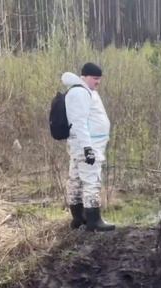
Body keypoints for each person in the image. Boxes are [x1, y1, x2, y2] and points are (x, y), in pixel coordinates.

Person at [61, 62, 115, 232]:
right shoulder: (80, 92)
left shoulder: (83, 90)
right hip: (89, 144)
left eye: (99, 79)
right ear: (85, 77)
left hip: (84, 144)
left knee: (76, 179)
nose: (98, 82)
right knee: (91, 180)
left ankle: (79, 219)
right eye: (95, 78)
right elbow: (79, 122)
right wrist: (88, 148)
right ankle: (93, 221)